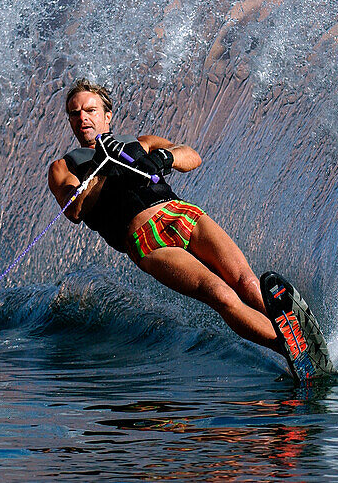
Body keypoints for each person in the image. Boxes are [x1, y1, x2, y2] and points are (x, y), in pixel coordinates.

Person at [47, 78, 281, 352]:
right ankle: (288, 350)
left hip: (181, 213)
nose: (82, 118)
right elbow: (74, 210)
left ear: (107, 115)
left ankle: (299, 338)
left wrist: (164, 159)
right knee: (220, 294)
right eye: (74, 114)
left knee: (247, 281)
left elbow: (191, 155)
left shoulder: (139, 142)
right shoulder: (64, 166)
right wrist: (100, 166)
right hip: (146, 240)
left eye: (90, 110)